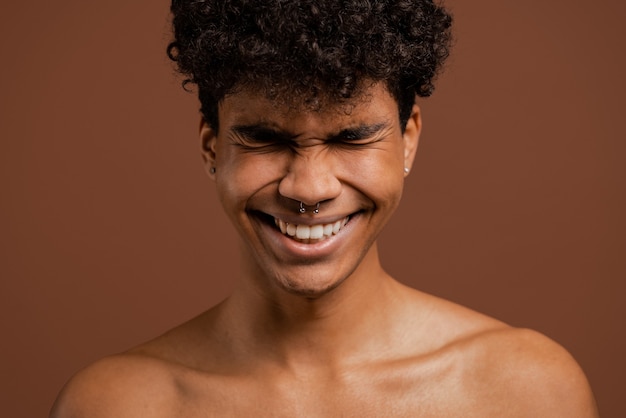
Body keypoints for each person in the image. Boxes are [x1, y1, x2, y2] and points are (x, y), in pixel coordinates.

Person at [51, 1, 599, 416]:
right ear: (211, 146)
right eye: (265, 138)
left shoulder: (527, 391)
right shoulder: (116, 404)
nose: (309, 188)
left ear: (408, 140)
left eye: (352, 138)